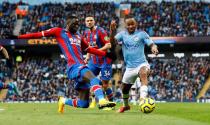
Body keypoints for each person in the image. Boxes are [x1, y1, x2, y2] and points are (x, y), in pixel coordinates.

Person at [14, 14, 116, 113]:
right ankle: (102, 100)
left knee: (84, 104)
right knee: (94, 79)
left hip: (80, 67)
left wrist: (105, 54)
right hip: (74, 67)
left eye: (78, 24)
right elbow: (37, 35)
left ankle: (62, 101)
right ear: (68, 23)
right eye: (74, 23)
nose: (76, 25)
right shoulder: (59, 31)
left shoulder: (78, 36)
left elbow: (89, 49)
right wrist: (18, 37)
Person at [109, 15, 159, 113]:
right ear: (125, 25)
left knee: (143, 73)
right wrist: (112, 31)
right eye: (129, 24)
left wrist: (154, 48)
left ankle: (142, 99)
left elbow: (151, 43)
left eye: (133, 24)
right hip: (129, 68)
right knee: (124, 89)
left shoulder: (142, 34)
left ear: (136, 24)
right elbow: (112, 43)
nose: (131, 26)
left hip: (142, 64)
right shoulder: (122, 35)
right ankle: (126, 106)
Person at [83, 15, 114, 108]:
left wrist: (96, 52)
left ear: (94, 21)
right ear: (85, 23)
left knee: (105, 85)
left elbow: (108, 45)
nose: (89, 22)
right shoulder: (86, 33)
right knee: (87, 77)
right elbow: (89, 47)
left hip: (105, 61)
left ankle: (111, 103)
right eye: (87, 21)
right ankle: (93, 99)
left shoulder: (101, 31)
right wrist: (87, 57)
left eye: (91, 20)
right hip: (94, 61)